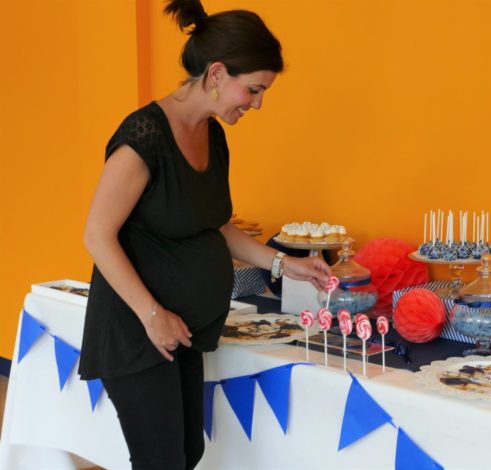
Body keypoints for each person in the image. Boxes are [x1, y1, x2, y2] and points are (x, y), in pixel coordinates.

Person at [78, 1, 331, 468]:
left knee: (186, 452)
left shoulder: (213, 136)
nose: (257, 103)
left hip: (183, 329)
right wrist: (152, 314)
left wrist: (284, 262)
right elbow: (97, 235)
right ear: (216, 74)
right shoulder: (144, 137)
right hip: (139, 331)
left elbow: (214, 223)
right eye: (253, 89)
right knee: (162, 461)